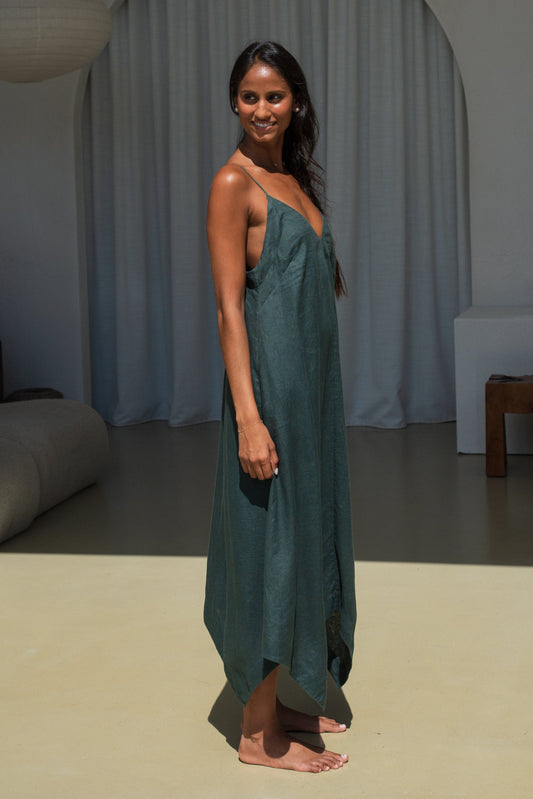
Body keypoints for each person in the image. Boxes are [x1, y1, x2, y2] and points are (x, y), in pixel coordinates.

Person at [204, 41, 356, 773]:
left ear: (296, 101)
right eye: (249, 96)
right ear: (233, 103)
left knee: (305, 535)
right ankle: (257, 732)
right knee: (267, 543)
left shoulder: (292, 178)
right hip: (268, 393)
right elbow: (230, 309)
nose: (261, 109)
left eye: (274, 96)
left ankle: (284, 695)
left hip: (310, 396)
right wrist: (249, 417)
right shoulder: (232, 183)